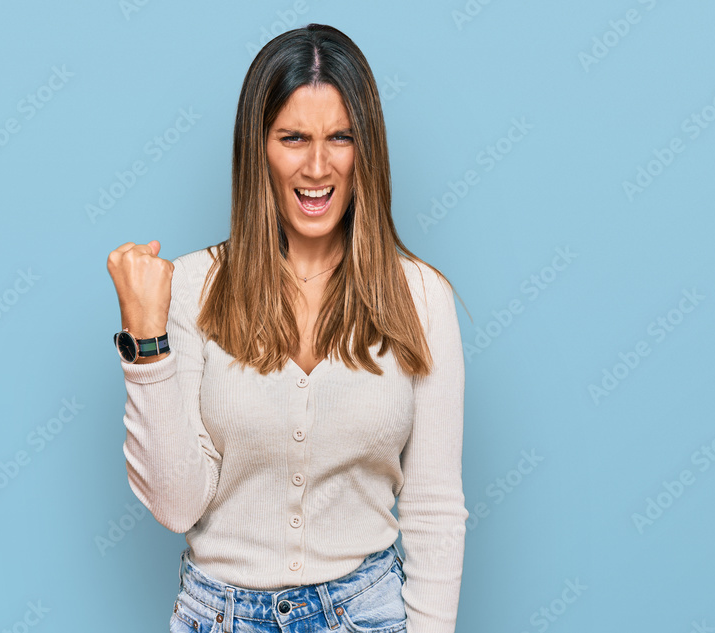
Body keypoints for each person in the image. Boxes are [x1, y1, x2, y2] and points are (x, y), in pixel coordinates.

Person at [106, 23, 469, 633]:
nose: (318, 165)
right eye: (294, 138)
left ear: (367, 151)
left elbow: (434, 510)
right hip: (216, 618)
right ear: (259, 149)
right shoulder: (192, 289)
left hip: (367, 615)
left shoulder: (423, 299)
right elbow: (176, 505)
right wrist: (146, 345)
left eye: (340, 138)